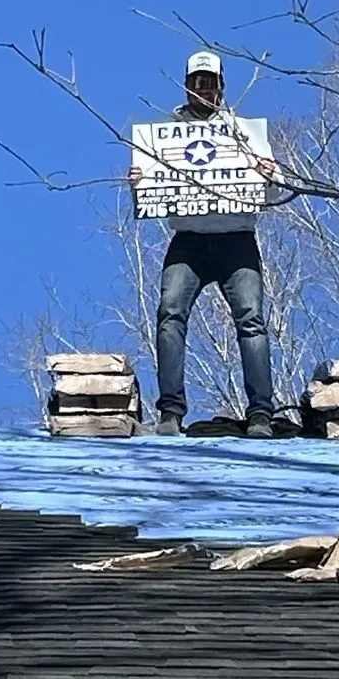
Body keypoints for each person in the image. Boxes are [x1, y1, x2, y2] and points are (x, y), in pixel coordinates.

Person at [128, 50, 278, 438]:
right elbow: (150, 202)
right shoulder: (162, 137)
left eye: (210, 81)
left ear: (221, 86)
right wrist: (138, 185)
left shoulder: (245, 133)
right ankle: (170, 414)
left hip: (237, 239)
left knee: (251, 321)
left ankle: (261, 414)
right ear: (187, 85)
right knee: (169, 314)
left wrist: (269, 175)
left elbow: (273, 197)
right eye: (197, 81)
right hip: (189, 241)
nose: (204, 88)